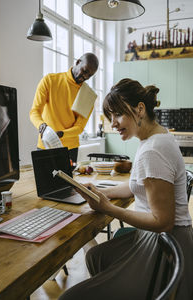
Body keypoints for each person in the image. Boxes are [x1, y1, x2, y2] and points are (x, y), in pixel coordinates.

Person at [59, 78, 193, 300]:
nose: (112, 123)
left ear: (140, 109)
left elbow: (164, 222)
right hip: (162, 239)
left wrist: (108, 208)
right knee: (96, 257)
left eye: (117, 114)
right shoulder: (153, 139)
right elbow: (135, 187)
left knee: (68, 297)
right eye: (110, 116)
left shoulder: (153, 150)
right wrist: (100, 192)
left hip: (164, 247)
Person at [30, 53, 99, 163]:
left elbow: (79, 127)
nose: (85, 77)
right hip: (45, 145)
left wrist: (62, 134)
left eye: (89, 76)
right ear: (77, 62)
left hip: (70, 148)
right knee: (42, 180)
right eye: (85, 71)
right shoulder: (50, 80)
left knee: (66, 181)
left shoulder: (88, 95)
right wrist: (41, 125)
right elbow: (34, 111)